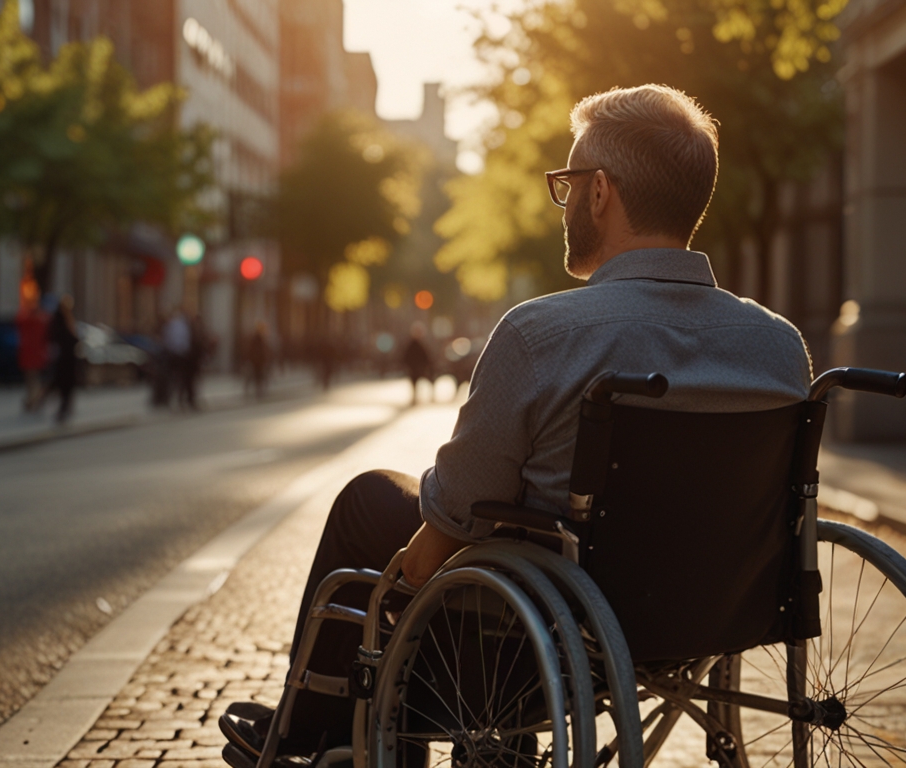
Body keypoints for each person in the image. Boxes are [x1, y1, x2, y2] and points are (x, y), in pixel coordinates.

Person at [217, 84, 813, 765]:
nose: (563, 204)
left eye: (569, 184)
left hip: (566, 620)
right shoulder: (778, 345)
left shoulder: (541, 334)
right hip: (720, 606)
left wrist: (409, 572)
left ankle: (314, 735)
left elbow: (462, 503)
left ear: (600, 194)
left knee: (372, 498)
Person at [46, 294, 80, 424]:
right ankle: (62, 408)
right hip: (64, 358)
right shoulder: (60, 320)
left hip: (68, 358)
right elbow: (61, 338)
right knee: (62, 383)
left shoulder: (66, 319)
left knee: (65, 384)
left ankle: (65, 407)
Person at [15, 296, 49, 411]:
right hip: (36, 355)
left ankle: (33, 399)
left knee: (31, 379)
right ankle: (34, 399)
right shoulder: (42, 320)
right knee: (34, 379)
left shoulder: (29, 320)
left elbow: (18, 320)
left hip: (30, 355)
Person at [162, 309, 192, 409]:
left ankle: (171, 400)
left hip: (173, 354)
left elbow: (168, 340)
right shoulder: (182, 325)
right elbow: (183, 342)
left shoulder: (171, 325)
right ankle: (178, 400)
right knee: (180, 379)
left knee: (173, 379)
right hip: (180, 355)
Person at [402, 323, 432, 404]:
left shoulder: (418, 344)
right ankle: (415, 397)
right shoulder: (412, 344)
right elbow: (406, 356)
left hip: (418, 367)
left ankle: (418, 396)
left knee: (419, 382)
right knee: (415, 383)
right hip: (414, 368)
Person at [245, 322, 270, 398]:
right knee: (257, 376)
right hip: (257, 361)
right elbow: (255, 350)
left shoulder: (260, 338)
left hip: (258, 361)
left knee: (257, 376)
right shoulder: (257, 338)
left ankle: (258, 391)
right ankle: (258, 392)